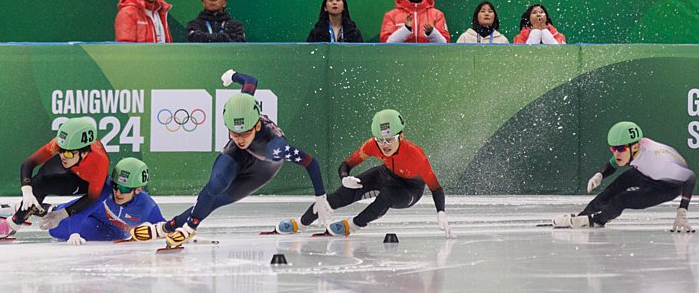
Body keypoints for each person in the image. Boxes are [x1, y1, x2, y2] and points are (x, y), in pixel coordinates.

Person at [128, 69, 332, 246]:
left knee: (218, 201)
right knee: (215, 185)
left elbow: (310, 162)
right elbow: (251, 81)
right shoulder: (243, 106)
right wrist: (232, 75)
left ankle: (175, 226)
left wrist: (320, 197)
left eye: (244, 134)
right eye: (233, 133)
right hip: (239, 155)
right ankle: (173, 227)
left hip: (263, 168)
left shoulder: (276, 147)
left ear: (257, 126)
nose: (239, 138)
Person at [275, 109, 453, 238]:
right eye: (380, 140)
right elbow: (347, 164)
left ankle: (353, 225)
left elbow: (436, 188)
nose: (385, 145)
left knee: (386, 196)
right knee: (343, 194)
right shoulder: (372, 145)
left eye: (390, 139)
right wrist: (345, 178)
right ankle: (301, 222)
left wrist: (441, 212)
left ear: (401, 136)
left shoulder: (416, 157)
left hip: (409, 189)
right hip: (386, 174)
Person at [552, 121, 696, 231]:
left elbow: (690, 177)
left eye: (620, 149)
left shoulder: (657, 162)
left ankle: (596, 220)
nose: (616, 153)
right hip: (646, 174)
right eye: (613, 148)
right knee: (617, 185)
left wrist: (682, 211)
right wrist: (600, 175)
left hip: (668, 187)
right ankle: (584, 215)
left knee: (622, 199)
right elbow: (614, 163)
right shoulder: (635, 149)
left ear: (634, 148)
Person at [0, 118, 110, 238]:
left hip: (82, 182)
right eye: (60, 150)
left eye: (67, 153)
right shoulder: (66, 146)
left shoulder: (99, 163)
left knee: (42, 184)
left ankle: (13, 224)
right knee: (40, 180)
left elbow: (92, 198)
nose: (62, 156)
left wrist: (61, 214)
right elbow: (29, 163)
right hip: (72, 167)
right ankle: (28, 206)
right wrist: (27, 191)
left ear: (84, 153)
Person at [47, 157, 165, 244]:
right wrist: (74, 233)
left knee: (56, 229)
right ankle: (52, 208)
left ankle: (51, 210)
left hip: (109, 229)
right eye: (115, 186)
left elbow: (166, 227)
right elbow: (80, 212)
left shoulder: (147, 206)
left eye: (124, 189)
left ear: (138, 190)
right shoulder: (106, 190)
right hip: (91, 210)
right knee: (59, 219)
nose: (118, 193)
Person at [379, 0, 450, 43]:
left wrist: (432, 32)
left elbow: (445, 44)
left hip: (428, 55)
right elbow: (385, 43)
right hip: (401, 55)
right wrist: (406, 29)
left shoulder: (437, 14)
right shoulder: (391, 15)